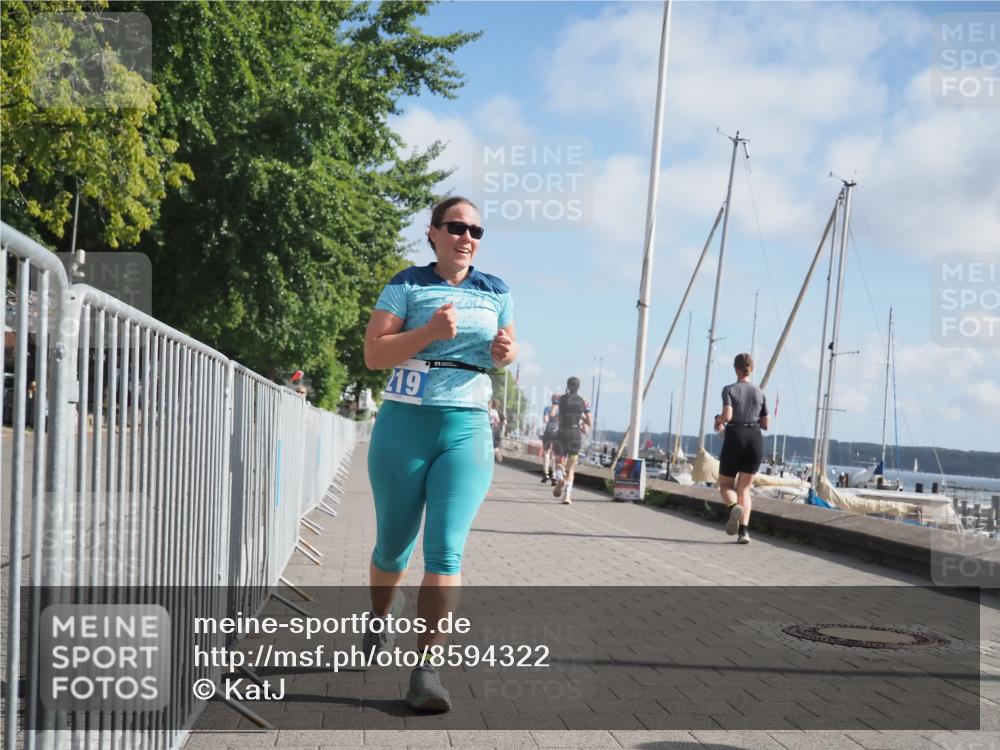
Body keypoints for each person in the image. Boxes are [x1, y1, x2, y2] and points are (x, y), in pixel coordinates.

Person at [363, 196, 516, 711]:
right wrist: (428, 332)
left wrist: (506, 353)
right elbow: (372, 353)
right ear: (433, 232)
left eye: (475, 230)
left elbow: (509, 347)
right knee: (391, 550)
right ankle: (380, 614)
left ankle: (426, 673)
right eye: (455, 227)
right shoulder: (406, 284)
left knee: (446, 551)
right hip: (404, 425)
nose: (466, 236)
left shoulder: (496, 290)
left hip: (467, 429)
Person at [713, 353, 769, 544]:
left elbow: (727, 415)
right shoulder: (760, 392)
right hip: (755, 439)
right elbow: (765, 423)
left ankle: (733, 507)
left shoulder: (729, 389)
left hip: (735, 436)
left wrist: (718, 420)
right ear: (751, 369)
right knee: (745, 488)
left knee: (726, 485)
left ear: (736, 369)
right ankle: (744, 532)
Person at [552, 377, 591, 505]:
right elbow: (589, 422)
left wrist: (559, 415)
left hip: (562, 433)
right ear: (579, 387)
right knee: (571, 468)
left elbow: (553, 413)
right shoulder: (584, 401)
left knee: (558, 462)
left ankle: (559, 478)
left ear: (567, 386)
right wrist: (581, 416)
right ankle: (567, 496)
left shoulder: (559, 398)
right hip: (575, 434)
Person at [539, 393, 560, 483]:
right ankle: (554, 475)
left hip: (548, 431)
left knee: (546, 453)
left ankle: (546, 474)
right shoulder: (561, 411)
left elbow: (545, 420)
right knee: (555, 455)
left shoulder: (547, 409)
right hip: (557, 433)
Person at [488, 399, 504, 463]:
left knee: (490, 442)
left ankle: (494, 452)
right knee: (492, 442)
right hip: (492, 427)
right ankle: (495, 451)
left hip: (488, 426)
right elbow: (498, 420)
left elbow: (497, 420)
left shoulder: (488, 411)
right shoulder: (495, 411)